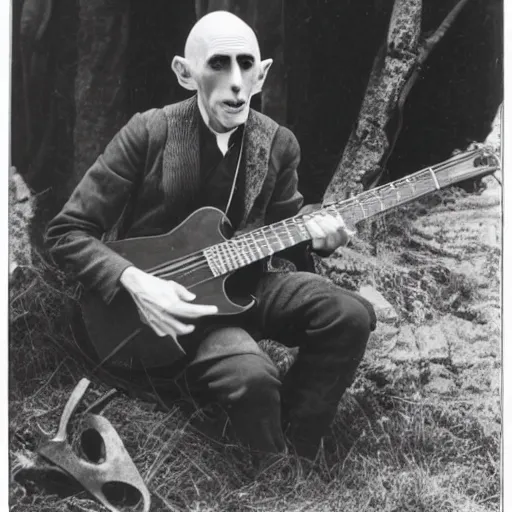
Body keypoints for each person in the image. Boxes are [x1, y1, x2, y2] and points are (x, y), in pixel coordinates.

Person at [46, 11, 376, 461]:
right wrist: (136, 283)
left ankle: (300, 446)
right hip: (159, 310)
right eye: (219, 64)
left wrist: (313, 236)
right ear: (186, 73)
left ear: (263, 75)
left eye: (246, 65)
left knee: (349, 314)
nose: (236, 81)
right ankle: (270, 469)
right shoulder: (149, 132)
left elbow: (286, 227)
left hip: (247, 284)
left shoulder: (278, 143)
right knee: (253, 378)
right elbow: (66, 233)